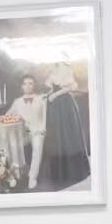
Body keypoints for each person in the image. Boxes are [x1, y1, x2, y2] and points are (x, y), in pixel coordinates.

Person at [39, 58, 91, 190]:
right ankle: (59, 174)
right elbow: (52, 87)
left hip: (65, 106)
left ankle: (73, 173)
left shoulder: (66, 68)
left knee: (68, 135)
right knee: (57, 137)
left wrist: (55, 95)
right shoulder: (54, 68)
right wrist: (48, 95)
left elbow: (72, 87)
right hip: (54, 108)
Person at [5, 75, 46, 191]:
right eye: (25, 84)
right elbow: (7, 116)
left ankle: (32, 177)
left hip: (37, 131)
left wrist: (42, 130)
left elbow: (44, 117)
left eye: (31, 83)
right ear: (22, 86)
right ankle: (16, 174)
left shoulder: (41, 99)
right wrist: (18, 117)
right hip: (22, 132)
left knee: (37, 147)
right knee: (13, 143)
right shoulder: (17, 102)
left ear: (34, 86)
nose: (28, 86)